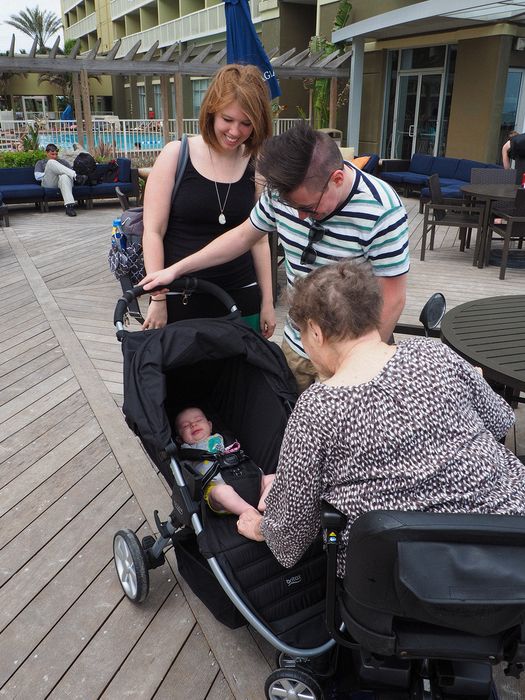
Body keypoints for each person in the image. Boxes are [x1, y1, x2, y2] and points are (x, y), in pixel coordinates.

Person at [236, 261, 525, 577]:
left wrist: (260, 527)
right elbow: (499, 421)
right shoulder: (436, 354)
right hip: (511, 553)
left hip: (409, 584)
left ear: (315, 332)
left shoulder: (316, 408)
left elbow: (290, 539)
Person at [141, 122, 409, 391]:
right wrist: (176, 270)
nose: (300, 217)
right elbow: (243, 236)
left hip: (353, 352)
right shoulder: (281, 193)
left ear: (337, 179)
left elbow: (393, 298)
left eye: (308, 208)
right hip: (297, 343)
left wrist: (358, 364)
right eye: (293, 207)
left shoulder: (381, 209)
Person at [141, 64, 275, 337]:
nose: (235, 132)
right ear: (211, 111)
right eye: (228, 119)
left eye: (246, 123)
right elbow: (153, 232)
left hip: (242, 294)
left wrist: (268, 302)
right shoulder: (176, 155)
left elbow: (260, 238)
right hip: (181, 293)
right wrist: (157, 298)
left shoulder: (256, 164)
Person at [175, 406, 274, 516]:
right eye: (185, 426)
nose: (193, 425)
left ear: (210, 425)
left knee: (274, 478)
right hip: (220, 489)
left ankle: (264, 504)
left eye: (198, 420)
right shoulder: (188, 451)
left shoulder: (225, 439)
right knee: (221, 492)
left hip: (253, 481)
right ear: (179, 438)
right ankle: (250, 512)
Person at [34, 143, 87, 217]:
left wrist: (61, 172)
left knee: (64, 176)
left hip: (63, 182)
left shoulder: (63, 162)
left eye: (56, 154)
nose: (55, 156)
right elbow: (37, 176)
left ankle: (69, 207)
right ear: (46, 153)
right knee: (51, 162)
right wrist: (51, 171)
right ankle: (76, 176)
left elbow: (69, 173)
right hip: (50, 182)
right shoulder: (40, 162)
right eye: (52, 154)